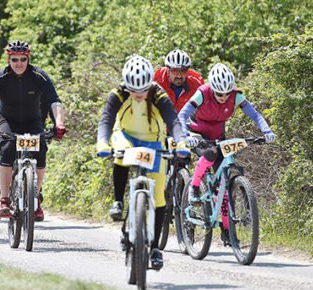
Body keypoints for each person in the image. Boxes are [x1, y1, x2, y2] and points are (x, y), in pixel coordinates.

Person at [96, 54, 189, 270]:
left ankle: (155, 248)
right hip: (126, 135)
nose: (138, 95)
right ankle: (118, 201)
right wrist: (102, 142)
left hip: (152, 142)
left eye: (143, 90)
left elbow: (173, 120)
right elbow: (107, 119)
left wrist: (181, 141)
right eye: (133, 90)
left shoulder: (158, 93)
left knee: (158, 198)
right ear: (126, 85)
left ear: (150, 85)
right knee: (119, 154)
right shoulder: (118, 93)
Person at [178, 63, 276, 245]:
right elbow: (182, 115)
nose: (223, 97)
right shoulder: (203, 92)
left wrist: (266, 131)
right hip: (196, 133)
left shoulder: (236, 96)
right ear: (212, 89)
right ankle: (194, 187)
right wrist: (185, 136)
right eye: (219, 94)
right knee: (210, 154)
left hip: (217, 134)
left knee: (224, 186)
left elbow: (255, 115)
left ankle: (226, 231)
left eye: (226, 94)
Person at [0, 41, 66, 222]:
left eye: (23, 59)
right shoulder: (0, 77)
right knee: (8, 148)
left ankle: (35, 198)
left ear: (28, 58)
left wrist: (59, 123)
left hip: (33, 121)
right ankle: (4, 200)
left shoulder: (39, 76)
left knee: (40, 151)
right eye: (15, 59)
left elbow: (55, 102)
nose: (19, 63)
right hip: (7, 122)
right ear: (8, 59)